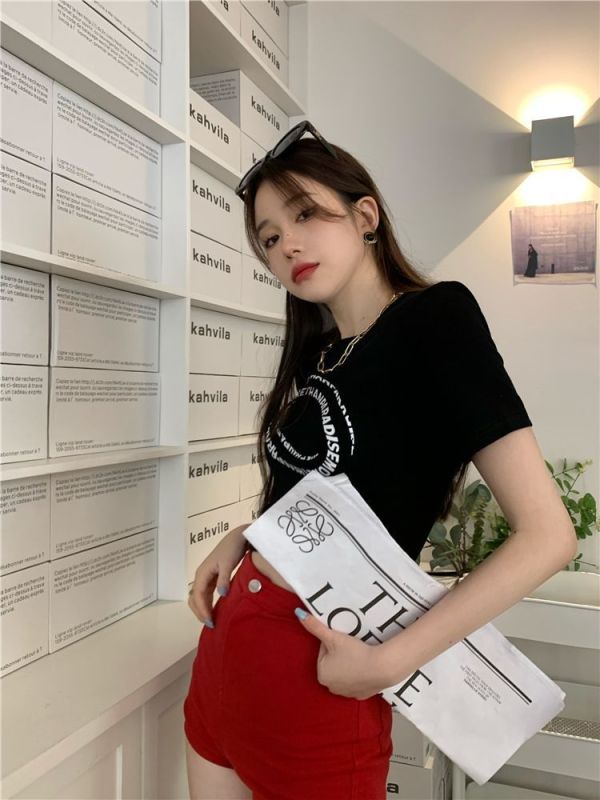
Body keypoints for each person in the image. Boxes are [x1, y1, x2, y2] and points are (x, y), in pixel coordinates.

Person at [183, 121, 577, 800]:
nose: (287, 245)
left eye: (305, 214)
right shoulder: (319, 355)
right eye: (269, 238)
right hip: (226, 664)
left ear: (365, 216)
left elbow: (549, 536)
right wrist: (246, 534)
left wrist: (388, 663)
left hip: (319, 684)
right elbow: (327, 498)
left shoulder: (436, 319)